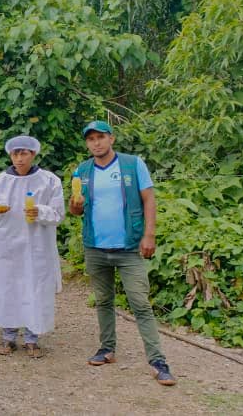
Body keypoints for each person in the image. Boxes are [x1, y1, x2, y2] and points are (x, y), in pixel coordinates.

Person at [70, 120, 175, 386]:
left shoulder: (132, 164)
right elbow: (77, 211)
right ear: (87, 143)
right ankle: (107, 349)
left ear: (111, 139)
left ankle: (157, 361)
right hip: (95, 246)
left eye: (100, 137)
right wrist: (74, 204)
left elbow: (149, 199)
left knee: (140, 302)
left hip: (129, 247)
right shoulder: (82, 171)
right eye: (91, 139)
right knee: (104, 300)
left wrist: (149, 235)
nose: (96, 143)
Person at [0, 136, 64, 359]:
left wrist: (40, 211)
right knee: (8, 287)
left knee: (35, 288)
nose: (19, 158)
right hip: (6, 245)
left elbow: (58, 213)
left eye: (24, 153)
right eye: (15, 154)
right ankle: (8, 337)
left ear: (33, 154)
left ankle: (32, 337)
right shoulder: (0, 181)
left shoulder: (49, 181)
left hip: (37, 245)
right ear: (10, 155)